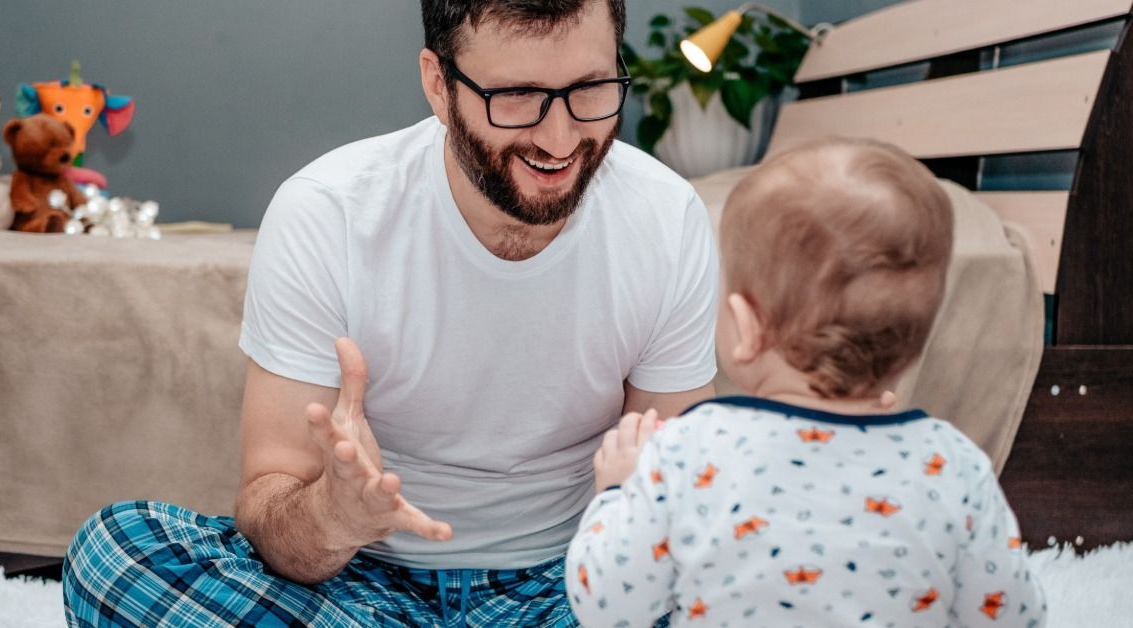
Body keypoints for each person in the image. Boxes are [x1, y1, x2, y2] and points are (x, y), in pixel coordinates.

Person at [62, 0, 720, 625]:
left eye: (591, 87)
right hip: (362, 590)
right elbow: (268, 501)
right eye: (515, 96)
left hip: (573, 580)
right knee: (113, 554)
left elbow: (669, 495)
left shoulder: (665, 219)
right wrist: (331, 517)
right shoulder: (327, 213)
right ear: (438, 84)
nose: (560, 136)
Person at [566, 138, 1047, 627]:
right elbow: (1013, 616)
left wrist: (616, 496)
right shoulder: (953, 465)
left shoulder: (687, 452)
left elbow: (606, 606)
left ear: (746, 328)